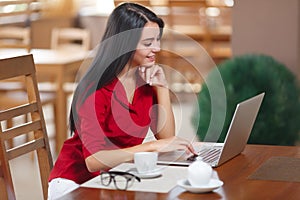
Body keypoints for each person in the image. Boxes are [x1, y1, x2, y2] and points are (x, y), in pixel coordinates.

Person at [48, 2, 196, 199]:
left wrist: (162, 88)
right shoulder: (96, 89)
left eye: (157, 41)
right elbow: (93, 160)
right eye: (148, 43)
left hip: (112, 180)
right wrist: (149, 148)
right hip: (75, 184)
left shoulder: (144, 82)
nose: (157, 48)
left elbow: (166, 137)